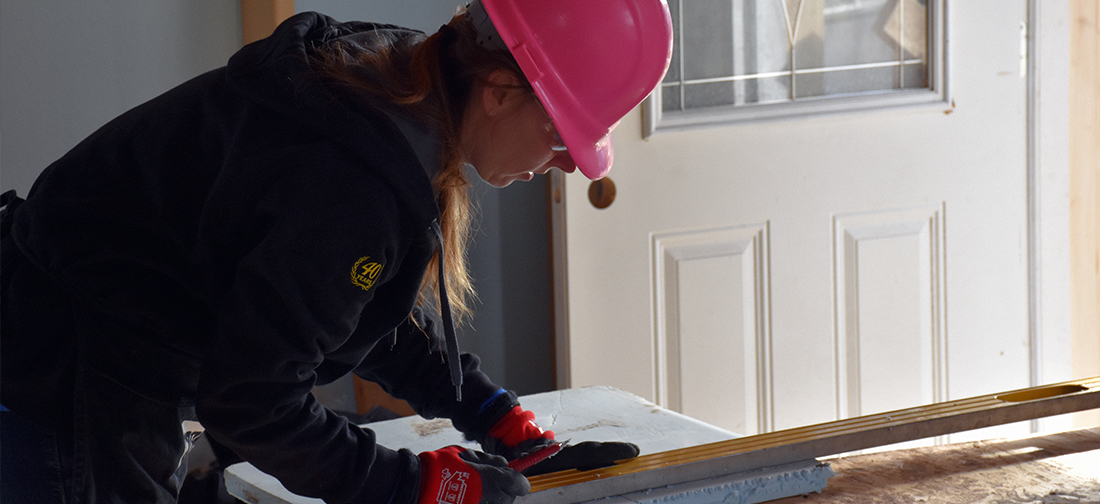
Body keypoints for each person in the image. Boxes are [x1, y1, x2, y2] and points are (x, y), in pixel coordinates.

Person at [0, 0, 673, 503]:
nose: (564, 164)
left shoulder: (401, 85)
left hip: (94, 345)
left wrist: (494, 415)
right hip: (68, 374)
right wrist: (420, 487)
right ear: (499, 92)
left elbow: (349, 310)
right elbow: (254, 402)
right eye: (563, 133)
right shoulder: (356, 179)